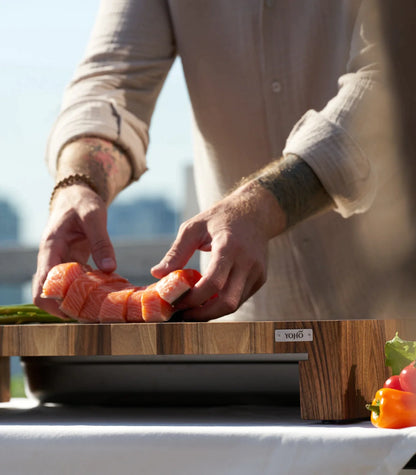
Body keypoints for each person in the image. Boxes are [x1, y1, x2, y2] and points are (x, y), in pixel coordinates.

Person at [33, 0, 407, 322]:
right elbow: (110, 81)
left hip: (397, 305)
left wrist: (263, 205)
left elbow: (392, 83)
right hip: (248, 336)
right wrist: (78, 180)